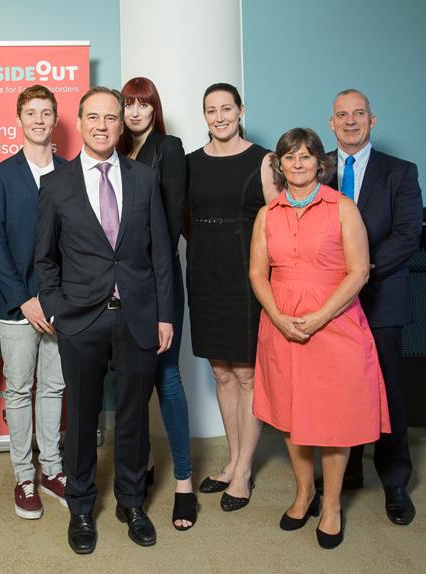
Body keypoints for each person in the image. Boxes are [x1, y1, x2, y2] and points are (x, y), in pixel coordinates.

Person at [35, 86, 173, 554]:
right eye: (93, 117)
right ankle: (80, 508)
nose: (102, 125)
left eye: (111, 118)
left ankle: (131, 503)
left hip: (137, 318)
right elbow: (44, 260)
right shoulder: (56, 185)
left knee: (134, 419)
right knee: (81, 420)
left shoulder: (144, 178)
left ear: (121, 124)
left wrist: (165, 315)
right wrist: (56, 308)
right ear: (80, 121)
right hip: (80, 320)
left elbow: (161, 255)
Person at [249, 127, 391, 549]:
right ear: (279, 164)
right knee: (293, 416)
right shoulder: (267, 213)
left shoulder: (343, 208)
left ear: (319, 163)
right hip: (280, 325)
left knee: (334, 419)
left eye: (306, 157)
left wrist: (318, 317)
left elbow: (359, 271)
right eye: (289, 157)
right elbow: (258, 272)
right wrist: (277, 315)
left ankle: (331, 505)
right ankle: (304, 492)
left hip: (335, 324)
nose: (297, 164)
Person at [326, 89, 423, 525]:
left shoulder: (400, 172)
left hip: (381, 296)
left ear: (372, 120)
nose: (350, 121)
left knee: (388, 392)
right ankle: (345, 472)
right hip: (329, 301)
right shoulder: (316, 167)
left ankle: (395, 479)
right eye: (342, 115)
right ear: (331, 123)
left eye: (358, 114)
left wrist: (359, 273)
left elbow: (406, 235)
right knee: (338, 390)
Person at [185, 83, 275, 511]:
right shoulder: (189, 163)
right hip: (204, 273)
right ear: (203, 115)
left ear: (241, 109)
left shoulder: (264, 160)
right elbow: (183, 219)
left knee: (246, 375)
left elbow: (277, 223)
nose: (219, 116)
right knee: (220, 373)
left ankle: (243, 470)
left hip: (244, 275)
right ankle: (233, 461)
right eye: (211, 110)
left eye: (226, 108)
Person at [0, 85, 67, 520]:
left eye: (45, 112)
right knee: (18, 391)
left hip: (60, 305)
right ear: (19, 120)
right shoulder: (1, 175)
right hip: (16, 308)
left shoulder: (70, 172)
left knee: (54, 387)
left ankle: (52, 469)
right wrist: (23, 299)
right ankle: (24, 476)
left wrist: (56, 301)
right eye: (30, 112)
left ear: (55, 120)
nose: (38, 119)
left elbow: (78, 243)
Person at [118, 77, 194, 530]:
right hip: (120, 287)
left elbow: (167, 224)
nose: (134, 112)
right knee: (131, 383)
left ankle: (183, 482)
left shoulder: (170, 148)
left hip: (157, 280)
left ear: (154, 109)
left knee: (166, 378)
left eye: (142, 104)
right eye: (127, 103)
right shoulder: (115, 151)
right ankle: (143, 463)